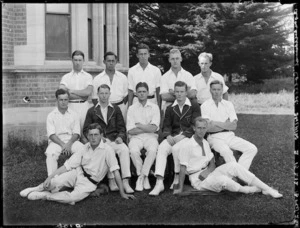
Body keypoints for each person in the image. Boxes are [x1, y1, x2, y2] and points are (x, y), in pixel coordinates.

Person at [20, 123, 136, 205]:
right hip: (77, 173)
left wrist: (122, 193)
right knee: (54, 182)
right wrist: (50, 177)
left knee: (72, 198)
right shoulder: (84, 147)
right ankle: (37, 188)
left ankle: (45, 195)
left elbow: (115, 172)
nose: (93, 137)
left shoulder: (108, 150)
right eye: (90, 135)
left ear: (101, 135)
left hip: (90, 183)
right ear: (87, 136)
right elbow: (67, 166)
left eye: (96, 134)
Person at [173, 117, 283, 199]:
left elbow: (211, 161)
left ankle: (268, 189)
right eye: (199, 128)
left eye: (204, 128)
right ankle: (247, 190)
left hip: (209, 172)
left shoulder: (205, 142)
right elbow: (182, 168)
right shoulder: (187, 145)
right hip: (197, 179)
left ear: (207, 128)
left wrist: (209, 170)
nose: (201, 131)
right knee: (223, 180)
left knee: (234, 165)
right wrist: (180, 188)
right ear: (194, 128)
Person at [149, 81, 201, 196]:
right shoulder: (170, 108)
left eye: (182, 91)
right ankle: (159, 182)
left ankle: (177, 176)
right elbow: (166, 126)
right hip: (173, 136)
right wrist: (167, 136)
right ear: (174, 93)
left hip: (188, 137)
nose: (179, 94)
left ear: (186, 92)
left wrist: (182, 136)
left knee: (177, 148)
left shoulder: (194, 105)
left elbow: (195, 125)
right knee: (162, 148)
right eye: (177, 92)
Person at [83, 84, 134, 194]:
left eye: (106, 93)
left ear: (110, 94)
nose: (104, 96)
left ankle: (125, 181)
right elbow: (86, 129)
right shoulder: (92, 111)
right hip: (101, 142)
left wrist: (120, 137)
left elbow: (121, 127)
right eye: (102, 93)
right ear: (98, 95)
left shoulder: (115, 109)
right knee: (106, 150)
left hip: (114, 139)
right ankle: (112, 181)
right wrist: (99, 138)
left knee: (124, 149)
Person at [201, 80, 257, 170]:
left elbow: (233, 126)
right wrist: (226, 124)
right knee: (226, 151)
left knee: (252, 148)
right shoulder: (205, 105)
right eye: (214, 89)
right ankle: (239, 175)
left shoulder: (228, 104)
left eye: (218, 89)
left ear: (222, 90)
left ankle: (239, 173)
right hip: (214, 138)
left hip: (229, 135)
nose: (216, 92)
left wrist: (215, 122)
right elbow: (208, 128)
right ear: (210, 90)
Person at [127, 82, 160, 191]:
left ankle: (141, 177)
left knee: (152, 150)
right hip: (136, 137)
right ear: (136, 93)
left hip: (151, 137)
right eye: (139, 92)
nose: (141, 94)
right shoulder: (131, 108)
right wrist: (147, 126)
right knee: (133, 151)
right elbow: (131, 130)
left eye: (144, 92)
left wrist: (139, 125)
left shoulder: (154, 107)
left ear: (148, 93)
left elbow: (154, 128)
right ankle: (144, 176)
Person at [45, 89, 84, 176]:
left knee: (83, 149)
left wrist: (69, 144)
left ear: (68, 100)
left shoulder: (74, 114)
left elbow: (77, 133)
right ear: (57, 100)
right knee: (50, 153)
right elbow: (51, 135)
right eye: (61, 100)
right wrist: (63, 145)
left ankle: (78, 177)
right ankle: (52, 180)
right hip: (56, 142)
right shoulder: (51, 115)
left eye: (65, 100)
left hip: (72, 141)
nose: (63, 102)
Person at [59, 50, 93, 133]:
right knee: (72, 131)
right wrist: (82, 94)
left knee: (85, 131)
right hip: (70, 106)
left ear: (83, 61)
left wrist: (71, 91)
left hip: (84, 107)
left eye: (80, 60)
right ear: (72, 61)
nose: (77, 63)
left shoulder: (88, 76)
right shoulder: (66, 77)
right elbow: (62, 93)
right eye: (75, 60)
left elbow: (88, 92)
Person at [92, 51, 128, 121]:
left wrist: (121, 106)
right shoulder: (97, 78)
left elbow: (126, 96)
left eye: (113, 61)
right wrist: (102, 109)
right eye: (108, 61)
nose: (111, 63)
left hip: (120, 108)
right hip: (104, 109)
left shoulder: (123, 77)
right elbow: (94, 98)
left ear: (116, 62)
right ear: (104, 62)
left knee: (120, 128)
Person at [160, 48, 197, 113]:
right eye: (172, 59)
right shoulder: (164, 77)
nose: (175, 61)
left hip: (186, 109)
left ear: (181, 59)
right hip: (169, 109)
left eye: (177, 58)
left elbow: (193, 94)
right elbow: (164, 96)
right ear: (169, 60)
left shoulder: (188, 75)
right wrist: (184, 93)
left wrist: (172, 93)